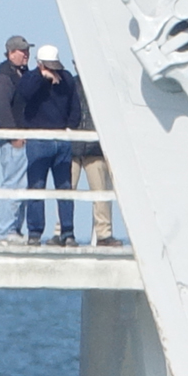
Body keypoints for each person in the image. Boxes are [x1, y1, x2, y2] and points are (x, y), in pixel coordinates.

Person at [14, 44, 79, 246]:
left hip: (61, 141)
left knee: (64, 188)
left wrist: (69, 128)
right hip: (38, 140)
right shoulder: (30, 78)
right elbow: (24, 94)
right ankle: (35, 233)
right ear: (40, 64)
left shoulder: (66, 78)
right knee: (36, 186)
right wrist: (42, 78)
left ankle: (68, 232)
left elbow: (75, 107)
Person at [0, 36, 32, 245]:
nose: (26, 54)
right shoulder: (3, 77)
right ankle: (6, 230)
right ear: (10, 52)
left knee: (23, 185)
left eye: (26, 50)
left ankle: (14, 229)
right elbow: (0, 108)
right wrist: (13, 134)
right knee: (14, 183)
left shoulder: (21, 74)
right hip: (14, 140)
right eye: (21, 50)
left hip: (25, 138)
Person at [69, 75, 119, 248]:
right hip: (73, 146)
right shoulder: (69, 84)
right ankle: (63, 232)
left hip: (95, 147)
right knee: (67, 191)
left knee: (101, 192)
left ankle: (103, 234)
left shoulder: (102, 84)